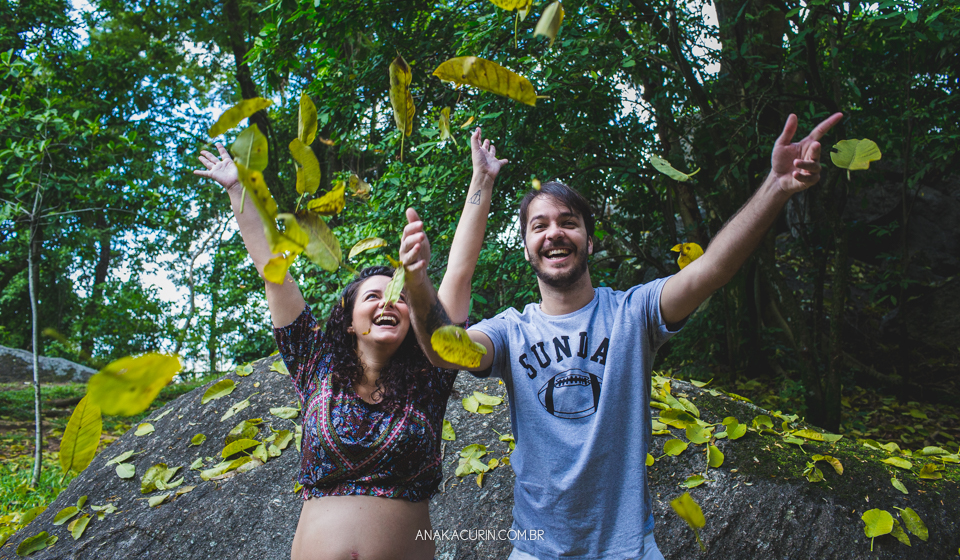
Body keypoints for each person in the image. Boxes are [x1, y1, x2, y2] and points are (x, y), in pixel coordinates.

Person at [399, 112, 844, 560]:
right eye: (540, 226)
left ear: (589, 242)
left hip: (628, 549)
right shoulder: (512, 330)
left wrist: (776, 186)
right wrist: (419, 285)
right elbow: (447, 351)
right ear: (528, 248)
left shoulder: (635, 312)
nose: (555, 232)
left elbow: (711, 270)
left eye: (568, 222)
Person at [194, 127, 508, 560]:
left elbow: (459, 273)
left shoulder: (430, 375)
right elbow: (275, 272)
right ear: (346, 319)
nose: (390, 303)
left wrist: (482, 181)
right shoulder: (315, 366)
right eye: (374, 296)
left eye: (399, 297)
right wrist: (238, 190)